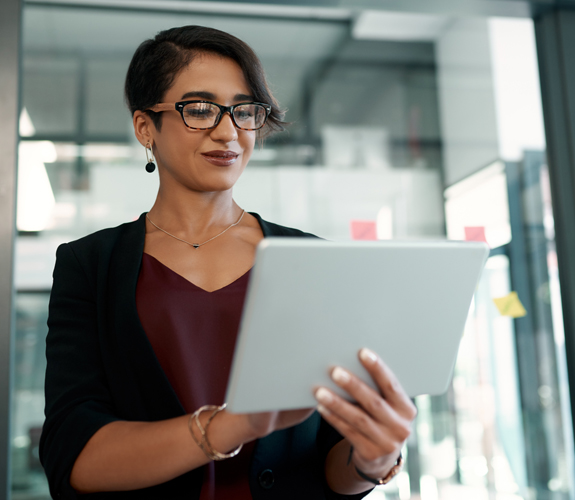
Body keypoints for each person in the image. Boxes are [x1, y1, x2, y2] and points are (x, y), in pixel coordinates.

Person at [39, 25, 417, 500]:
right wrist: (230, 426)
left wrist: (373, 459)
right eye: (199, 109)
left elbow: (332, 463)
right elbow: (73, 457)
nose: (228, 131)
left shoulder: (313, 261)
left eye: (244, 111)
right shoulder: (89, 265)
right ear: (144, 127)